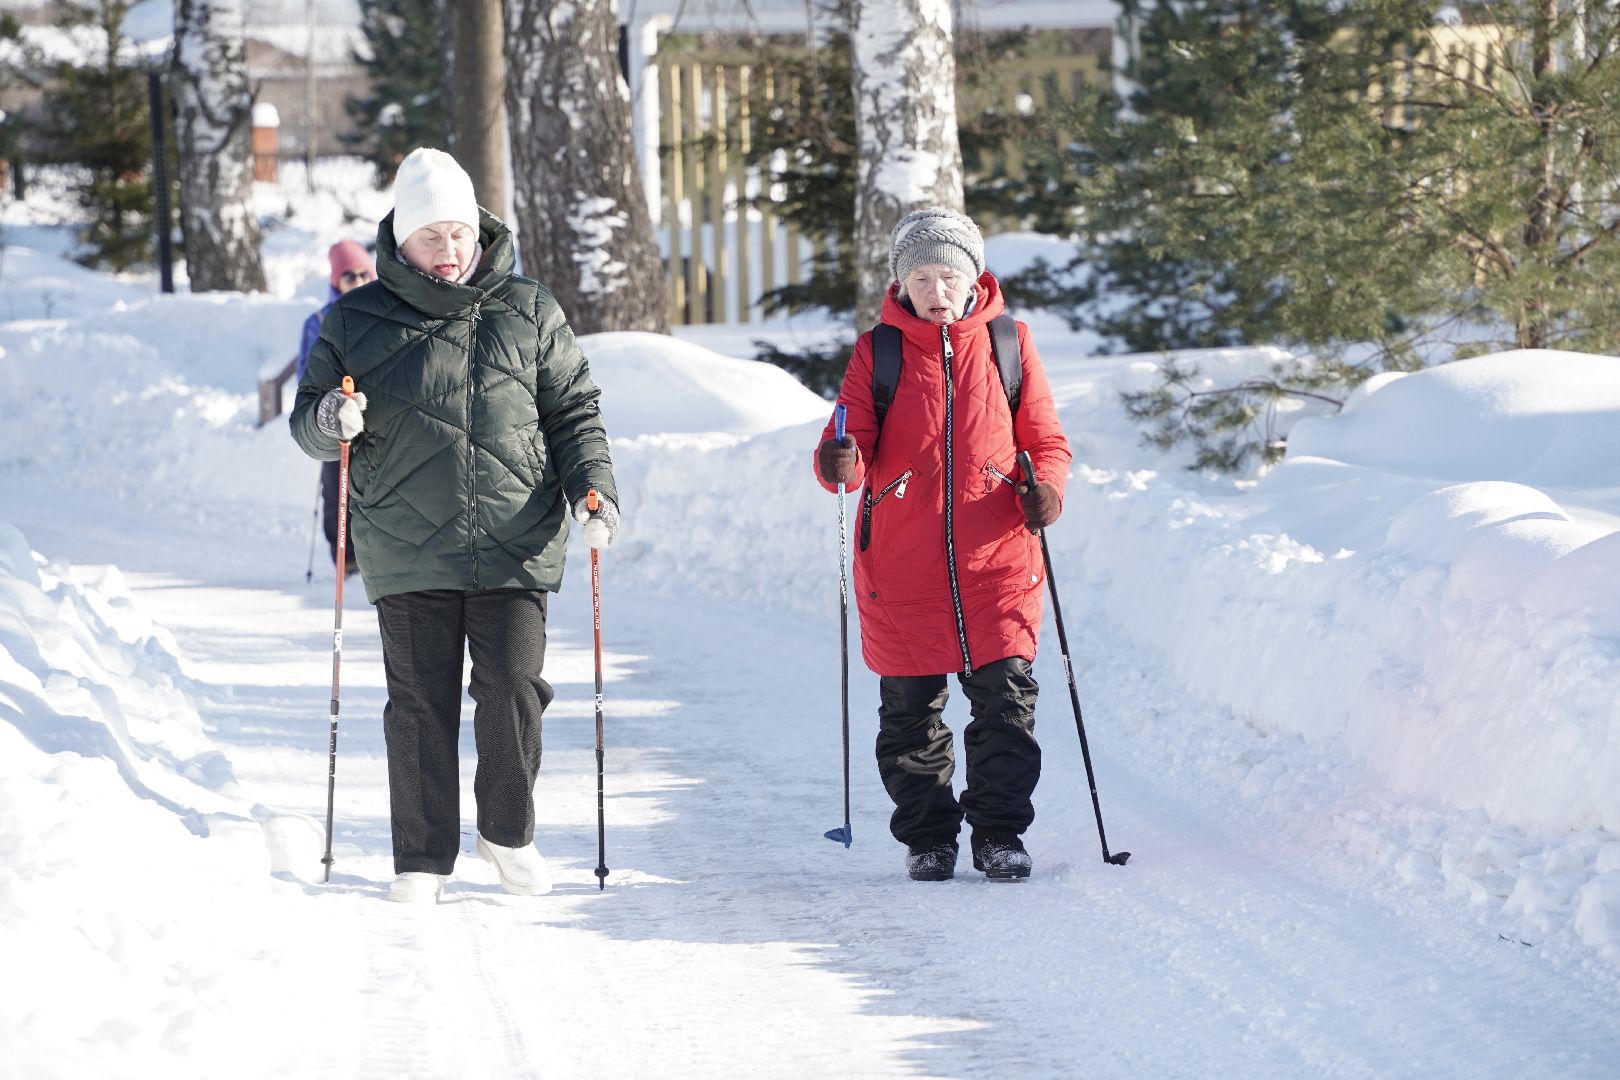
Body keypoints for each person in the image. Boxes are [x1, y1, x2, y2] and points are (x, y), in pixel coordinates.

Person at [290, 147, 621, 903]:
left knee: (512, 688)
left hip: (516, 538)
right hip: (405, 542)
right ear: (400, 241)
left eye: (459, 234)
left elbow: (575, 413)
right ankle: (421, 858)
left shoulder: (530, 309)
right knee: (419, 704)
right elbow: (307, 427)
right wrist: (330, 417)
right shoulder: (354, 320)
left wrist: (592, 492)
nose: (448, 251)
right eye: (431, 236)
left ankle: (507, 833)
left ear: (480, 233)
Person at [812, 207, 1071, 882]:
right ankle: (929, 838)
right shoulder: (881, 351)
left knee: (1007, 703)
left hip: (999, 560)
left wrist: (1047, 491)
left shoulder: (1010, 344)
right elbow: (847, 442)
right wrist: (839, 461)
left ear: (972, 277)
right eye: (922, 275)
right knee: (910, 716)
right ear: (903, 282)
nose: (936, 288)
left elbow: (1045, 441)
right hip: (902, 566)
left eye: (948, 274)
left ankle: (999, 834)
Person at [295, 239, 375, 575]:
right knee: (336, 482)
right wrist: (331, 402)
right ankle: (344, 551)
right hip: (337, 413)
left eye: (362, 274)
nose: (357, 282)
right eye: (348, 276)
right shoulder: (319, 320)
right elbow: (307, 373)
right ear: (335, 281)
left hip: (375, 411)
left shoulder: (383, 313)